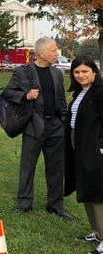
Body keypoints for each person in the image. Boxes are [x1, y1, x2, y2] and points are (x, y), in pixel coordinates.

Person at [4, 37, 71, 219]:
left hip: (56, 127)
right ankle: (24, 205)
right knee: (28, 167)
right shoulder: (23, 71)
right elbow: (7, 92)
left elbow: (61, 99)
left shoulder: (57, 73)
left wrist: (63, 121)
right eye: (54, 50)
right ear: (41, 53)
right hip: (34, 126)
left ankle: (55, 206)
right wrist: (25, 95)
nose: (57, 53)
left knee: (56, 168)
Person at [64, 56, 103, 253]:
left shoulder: (99, 92)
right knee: (86, 188)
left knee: (97, 192)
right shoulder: (79, 92)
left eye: (85, 71)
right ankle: (96, 232)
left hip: (93, 147)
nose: (80, 75)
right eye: (76, 72)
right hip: (77, 145)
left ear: (94, 72)